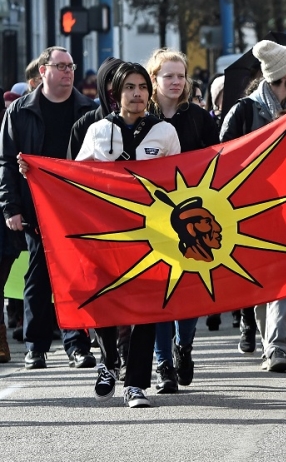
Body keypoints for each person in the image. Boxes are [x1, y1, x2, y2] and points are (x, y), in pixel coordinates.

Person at [75, 62, 182, 407]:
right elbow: (76, 176)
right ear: (116, 93)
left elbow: (181, 180)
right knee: (105, 303)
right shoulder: (97, 130)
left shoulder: (164, 132)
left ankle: (136, 383)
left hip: (153, 236)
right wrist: (35, 170)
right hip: (109, 235)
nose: (137, 94)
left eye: (142, 87)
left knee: (147, 310)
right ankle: (108, 362)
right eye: (129, 88)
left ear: (149, 93)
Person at [0, 47, 97, 370]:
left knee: (76, 277)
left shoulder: (88, 110)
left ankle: (77, 344)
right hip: (36, 208)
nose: (68, 72)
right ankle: (35, 346)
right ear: (43, 71)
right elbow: (7, 164)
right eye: (61, 66)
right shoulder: (19, 111)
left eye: (71, 66)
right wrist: (10, 207)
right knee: (38, 277)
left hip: (76, 208)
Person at [221, 39, 286, 372]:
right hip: (250, 211)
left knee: (283, 278)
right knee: (259, 282)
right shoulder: (244, 111)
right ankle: (270, 340)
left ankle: (277, 347)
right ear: (285, 73)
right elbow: (222, 158)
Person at [147, 49, 220, 393]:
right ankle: (162, 363)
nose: (176, 82)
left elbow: (221, 158)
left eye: (181, 76)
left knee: (188, 289)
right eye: (168, 76)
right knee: (161, 290)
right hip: (155, 217)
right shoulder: (141, 116)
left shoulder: (200, 117)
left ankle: (183, 345)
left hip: (193, 215)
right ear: (154, 80)